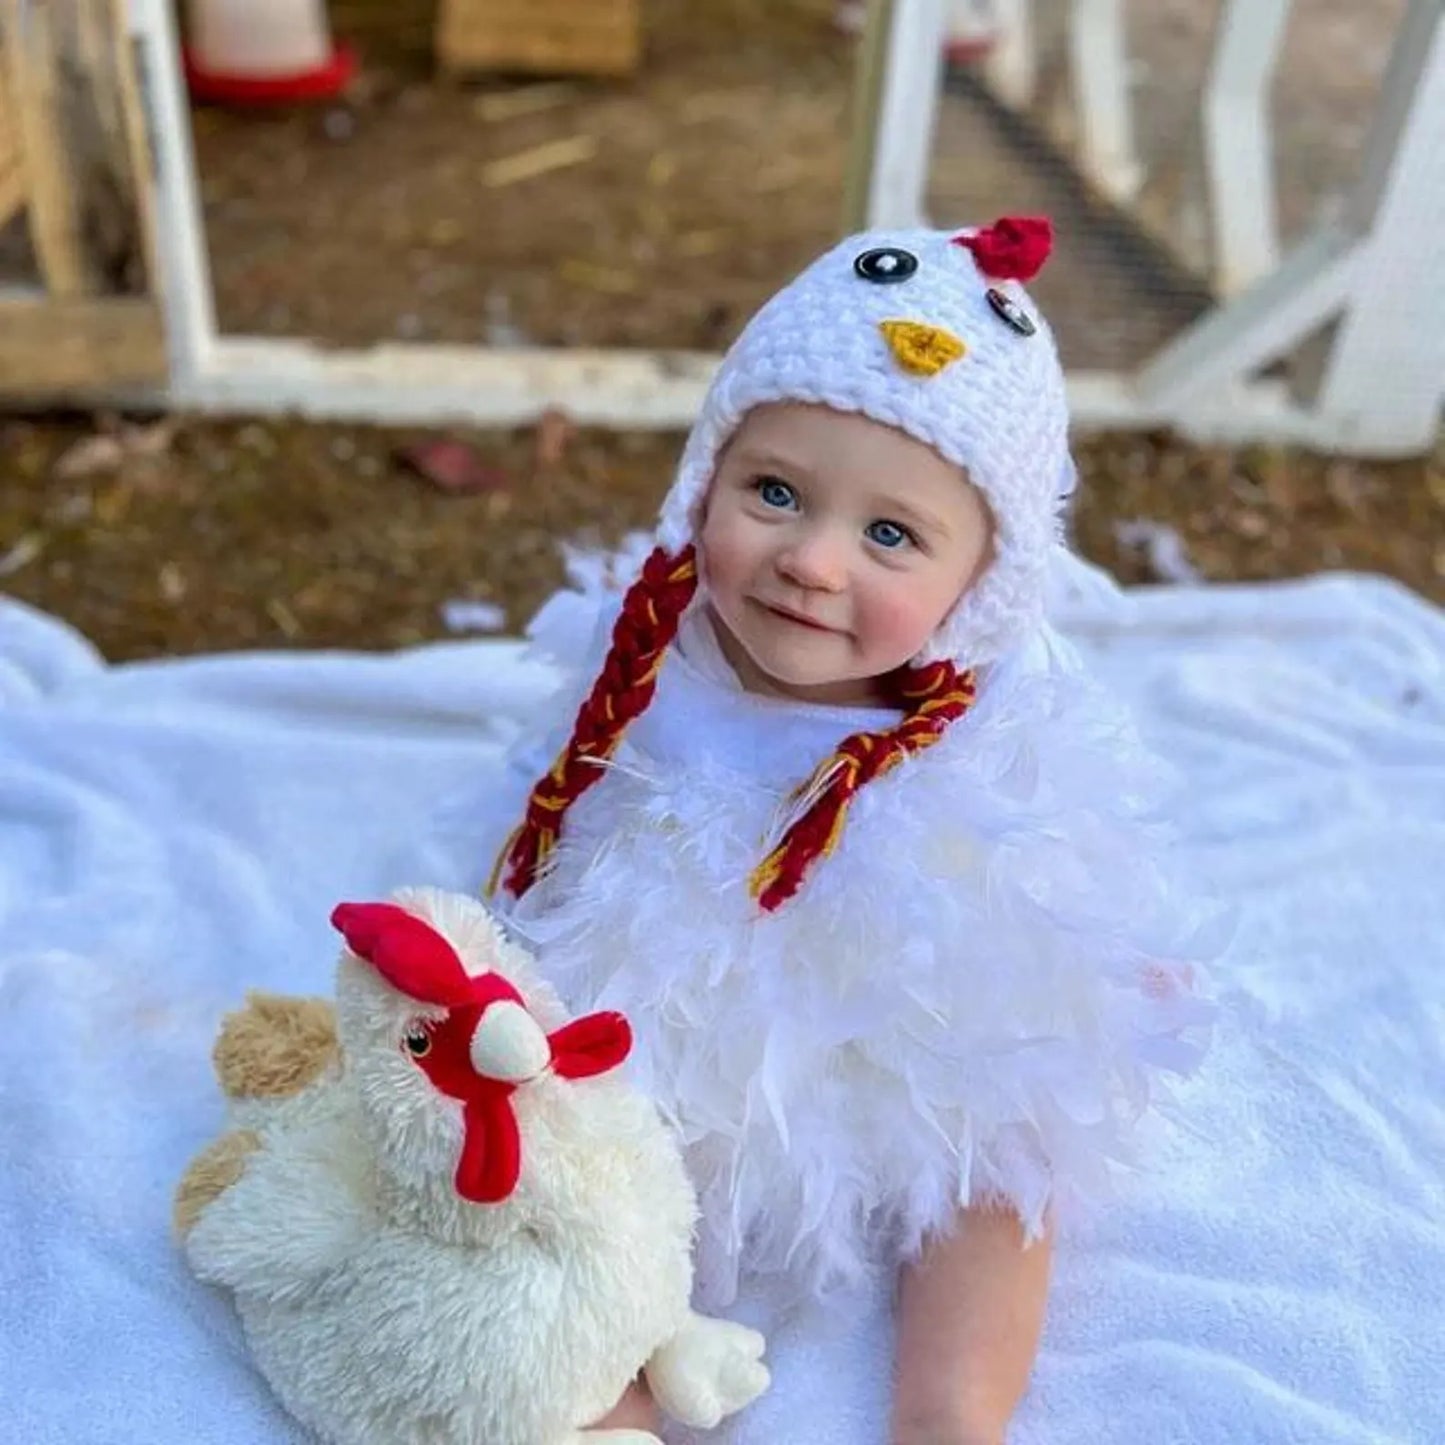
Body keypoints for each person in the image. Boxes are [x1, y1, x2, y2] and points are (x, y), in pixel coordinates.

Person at [417, 217, 1219, 1444]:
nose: (811, 561)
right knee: (539, 1152)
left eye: (889, 534)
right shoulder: (644, 661)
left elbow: (1027, 926)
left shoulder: (980, 739)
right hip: (668, 1018)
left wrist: (1065, 979)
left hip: (901, 1012)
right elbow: (551, 854)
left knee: (1003, 1148)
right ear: (707, 478)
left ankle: (951, 1411)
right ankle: (605, 1387)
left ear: (978, 582)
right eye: (774, 493)